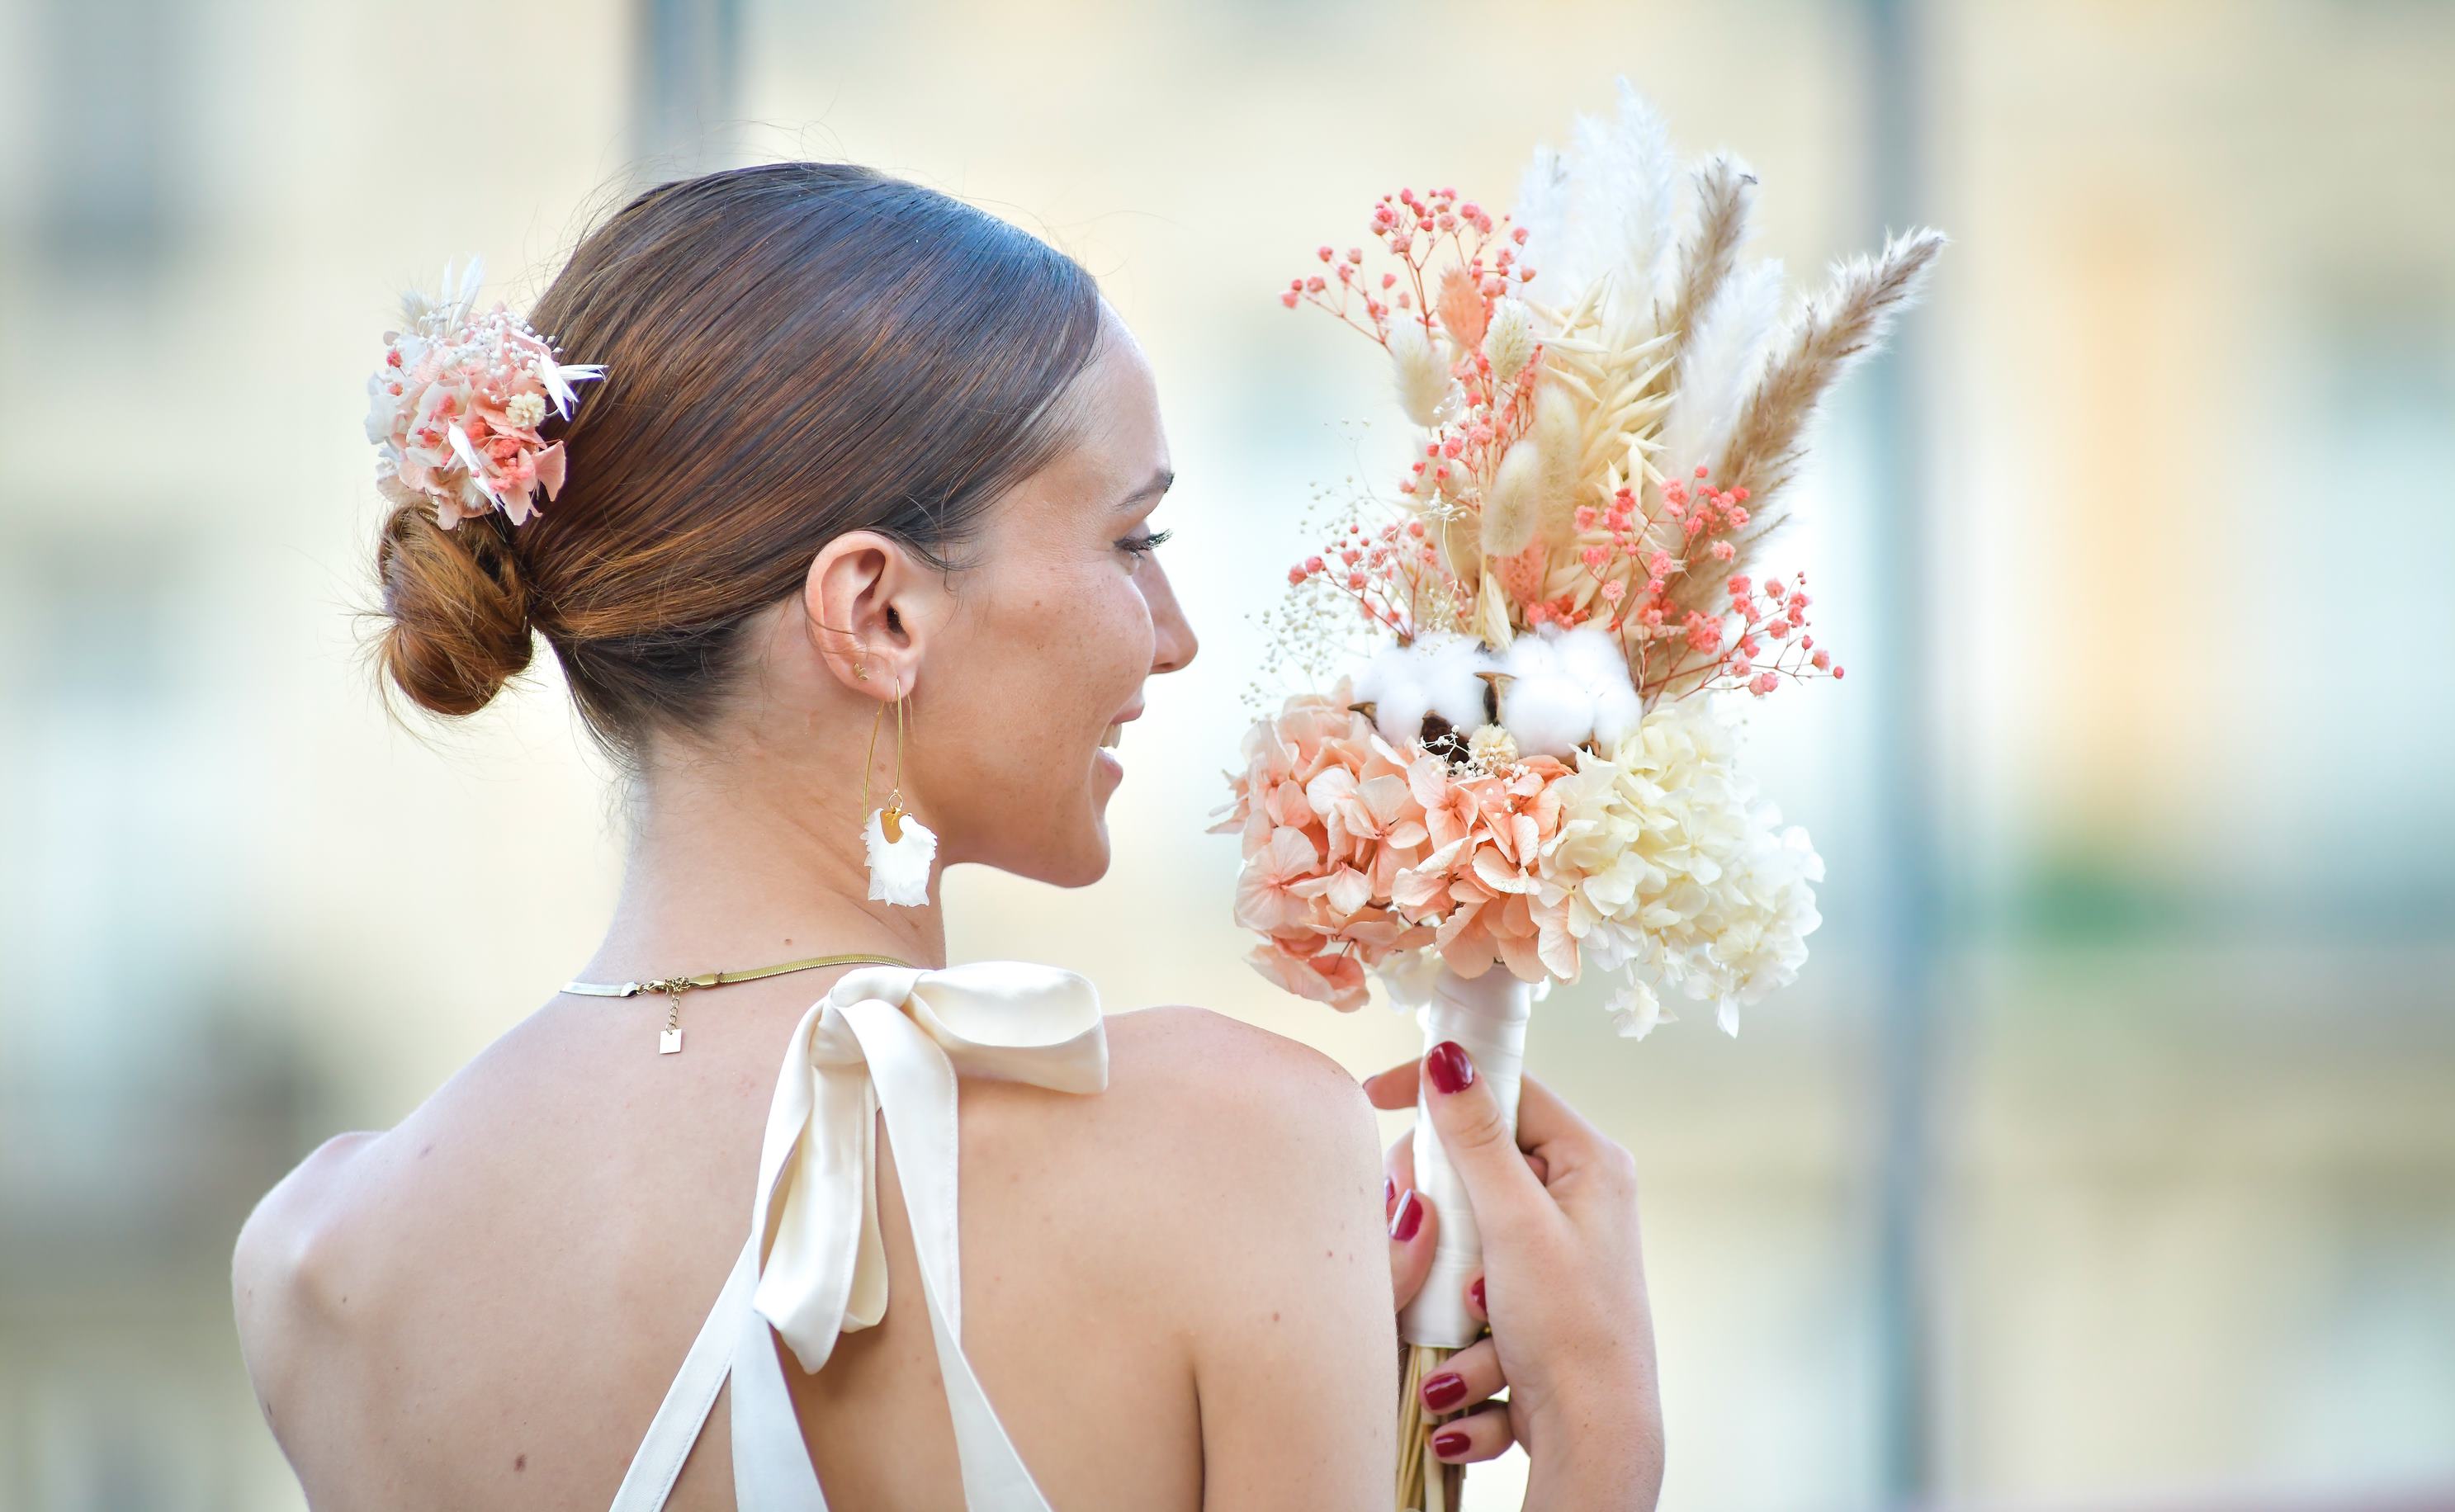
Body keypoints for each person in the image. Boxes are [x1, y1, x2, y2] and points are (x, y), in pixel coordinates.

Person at [231, 161, 1662, 1510]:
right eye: (1132, 542)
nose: (1172, 636)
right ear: (877, 612)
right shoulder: (1227, 1149)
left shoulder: (320, 1263)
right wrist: (1598, 1444)